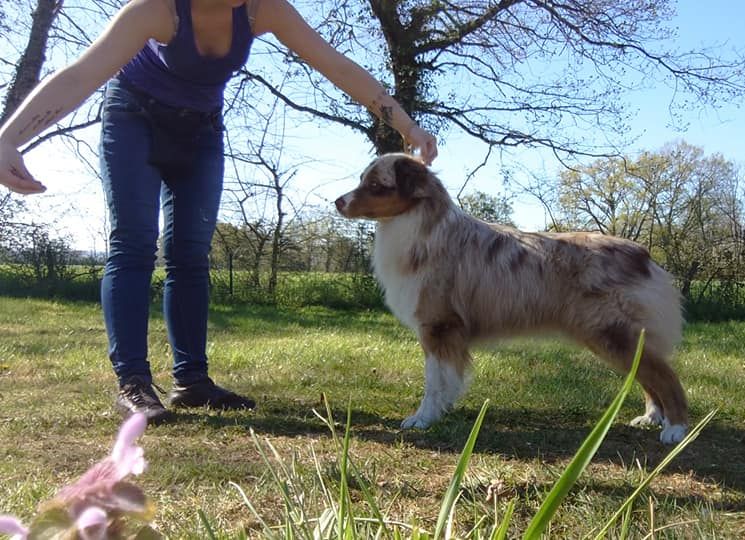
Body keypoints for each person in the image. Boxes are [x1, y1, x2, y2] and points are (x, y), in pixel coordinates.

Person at [0, 0, 438, 424]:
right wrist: (9, 138)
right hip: (134, 120)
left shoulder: (263, 9)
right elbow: (80, 76)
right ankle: (133, 381)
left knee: (190, 252)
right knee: (133, 244)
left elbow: (337, 66)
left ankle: (192, 380)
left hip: (201, 131)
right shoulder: (156, 10)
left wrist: (406, 125)